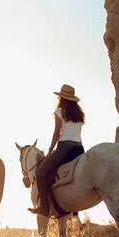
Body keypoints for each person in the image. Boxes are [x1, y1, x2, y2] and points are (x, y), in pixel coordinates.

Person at [29, 84, 85, 217]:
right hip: (79, 148)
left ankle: (44, 207)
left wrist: (50, 151)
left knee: (40, 172)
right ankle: (75, 212)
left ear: (61, 98)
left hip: (65, 147)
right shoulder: (79, 115)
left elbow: (56, 134)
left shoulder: (60, 111)